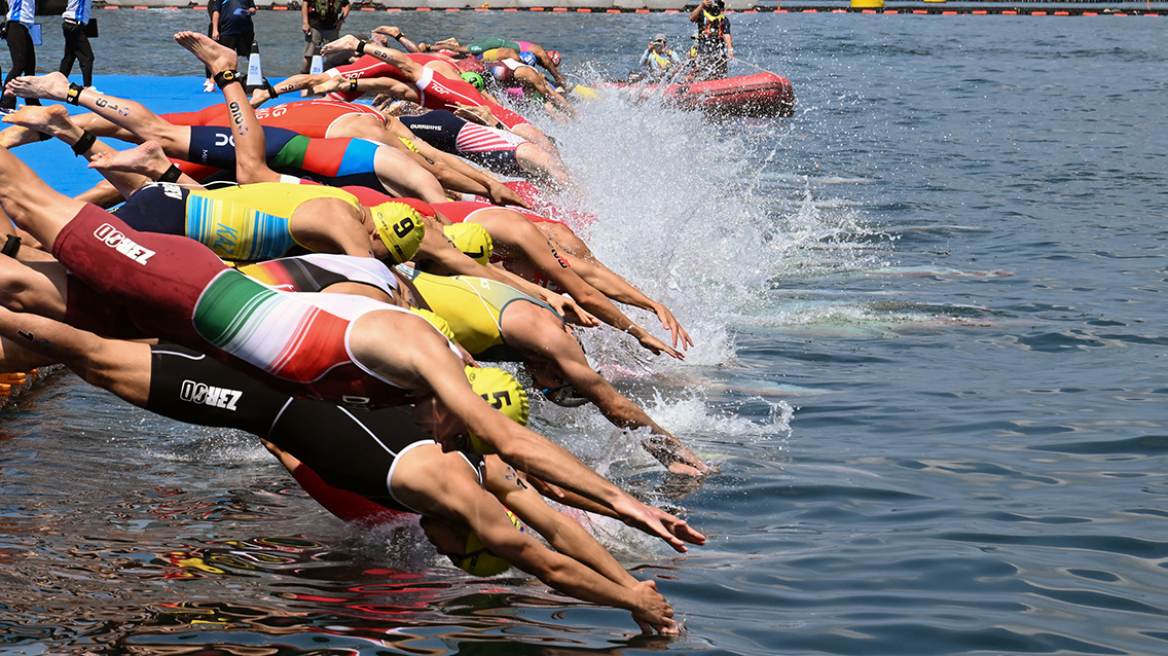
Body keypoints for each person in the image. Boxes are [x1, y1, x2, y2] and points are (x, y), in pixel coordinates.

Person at [0, 29, 705, 553]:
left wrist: (635, 321)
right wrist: (631, 328)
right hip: (212, 226)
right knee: (73, 241)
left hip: (251, 229)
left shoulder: (409, 279)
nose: (557, 388)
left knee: (87, 259)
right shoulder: (395, 237)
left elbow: (480, 297)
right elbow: (559, 385)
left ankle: (82, 132)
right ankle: (80, 111)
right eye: (556, 389)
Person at [0, 309, 679, 634]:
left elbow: (558, 526)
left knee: (107, 334)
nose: (436, 549)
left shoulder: (481, 465)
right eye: (454, 553)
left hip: (286, 358)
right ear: (463, 537)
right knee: (93, 356)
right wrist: (634, 602)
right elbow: (547, 560)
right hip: (254, 399)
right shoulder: (453, 495)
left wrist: (628, 575)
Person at [1, 0, 39, 111]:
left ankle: (32, 103)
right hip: (15, 25)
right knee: (19, 66)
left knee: (30, 67)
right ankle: (5, 104)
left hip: (25, 27)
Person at [689, 0, 733, 81]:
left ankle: (722, 87)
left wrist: (730, 49)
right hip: (705, 52)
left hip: (719, 52)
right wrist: (702, 5)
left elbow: (727, 35)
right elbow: (692, 18)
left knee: (721, 74)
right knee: (705, 74)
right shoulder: (702, 16)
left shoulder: (723, 19)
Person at [301, 0, 349, 74]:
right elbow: (305, 5)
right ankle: (304, 75)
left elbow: (348, 5)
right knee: (309, 55)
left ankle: (335, 76)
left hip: (332, 28)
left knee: (334, 56)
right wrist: (305, 23)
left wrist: (341, 21)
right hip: (314, 27)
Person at [59, 0, 96, 92]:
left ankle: (59, 82)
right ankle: (88, 87)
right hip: (75, 26)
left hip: (71, 24)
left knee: (69, 57)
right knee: (87, 57)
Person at [211, 0, 256, 67]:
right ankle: (223, 74)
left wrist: (248, 11)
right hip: (227, 30)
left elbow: (253, 9)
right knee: (225, 56)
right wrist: (215, 30)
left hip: (245, 30)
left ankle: (257, 74)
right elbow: (216, 11)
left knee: (250, 54)